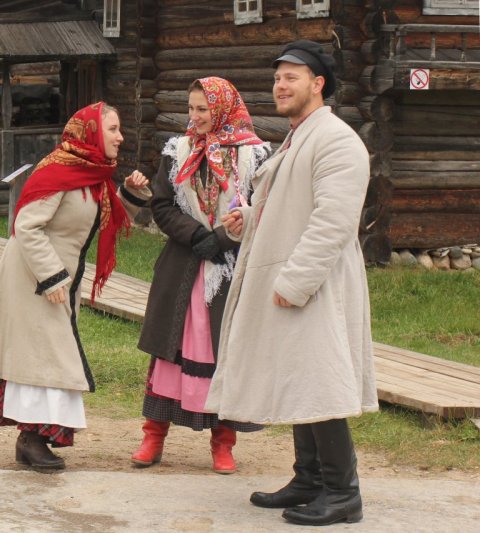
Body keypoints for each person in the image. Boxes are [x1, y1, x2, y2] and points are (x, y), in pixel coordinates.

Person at [204, 40, 379, 526]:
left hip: (315, 284)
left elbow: (333, 221)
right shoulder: (299, 137)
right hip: (292, 277)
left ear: (317, 84)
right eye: (278, 78)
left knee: (319, 382)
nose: (280, 86)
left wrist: (297, 280)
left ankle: (342, 493)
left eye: (291, 78)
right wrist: (249, 217)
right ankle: (309, 479)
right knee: (301, 379)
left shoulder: (337, 140)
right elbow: (291, 205)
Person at [0, 102, 151, 472]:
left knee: (47, 356)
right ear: (91, 132)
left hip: (58, 280)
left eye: (120, 129)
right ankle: (33, 438)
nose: (120, 136)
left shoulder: (93, 174)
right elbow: (27, 225)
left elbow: (107, 220)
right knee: (45, 356)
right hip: (33, 277)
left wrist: (130, 194)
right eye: (113, 129)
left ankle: (34, 438)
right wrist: (50, 276)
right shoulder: (59, 170)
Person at [131, 77, 270, 473]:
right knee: (168, 353)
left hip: (230, 268)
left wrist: (223, 238)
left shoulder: (255, 155)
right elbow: (162, 204)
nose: (195, 117)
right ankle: (153, 436)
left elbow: (263, 208)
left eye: (203, 109)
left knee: (225, 353)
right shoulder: (178, 151)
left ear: (222, 108)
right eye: (191, 109)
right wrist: (197, 236)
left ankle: (223, 443)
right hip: (183, 265)